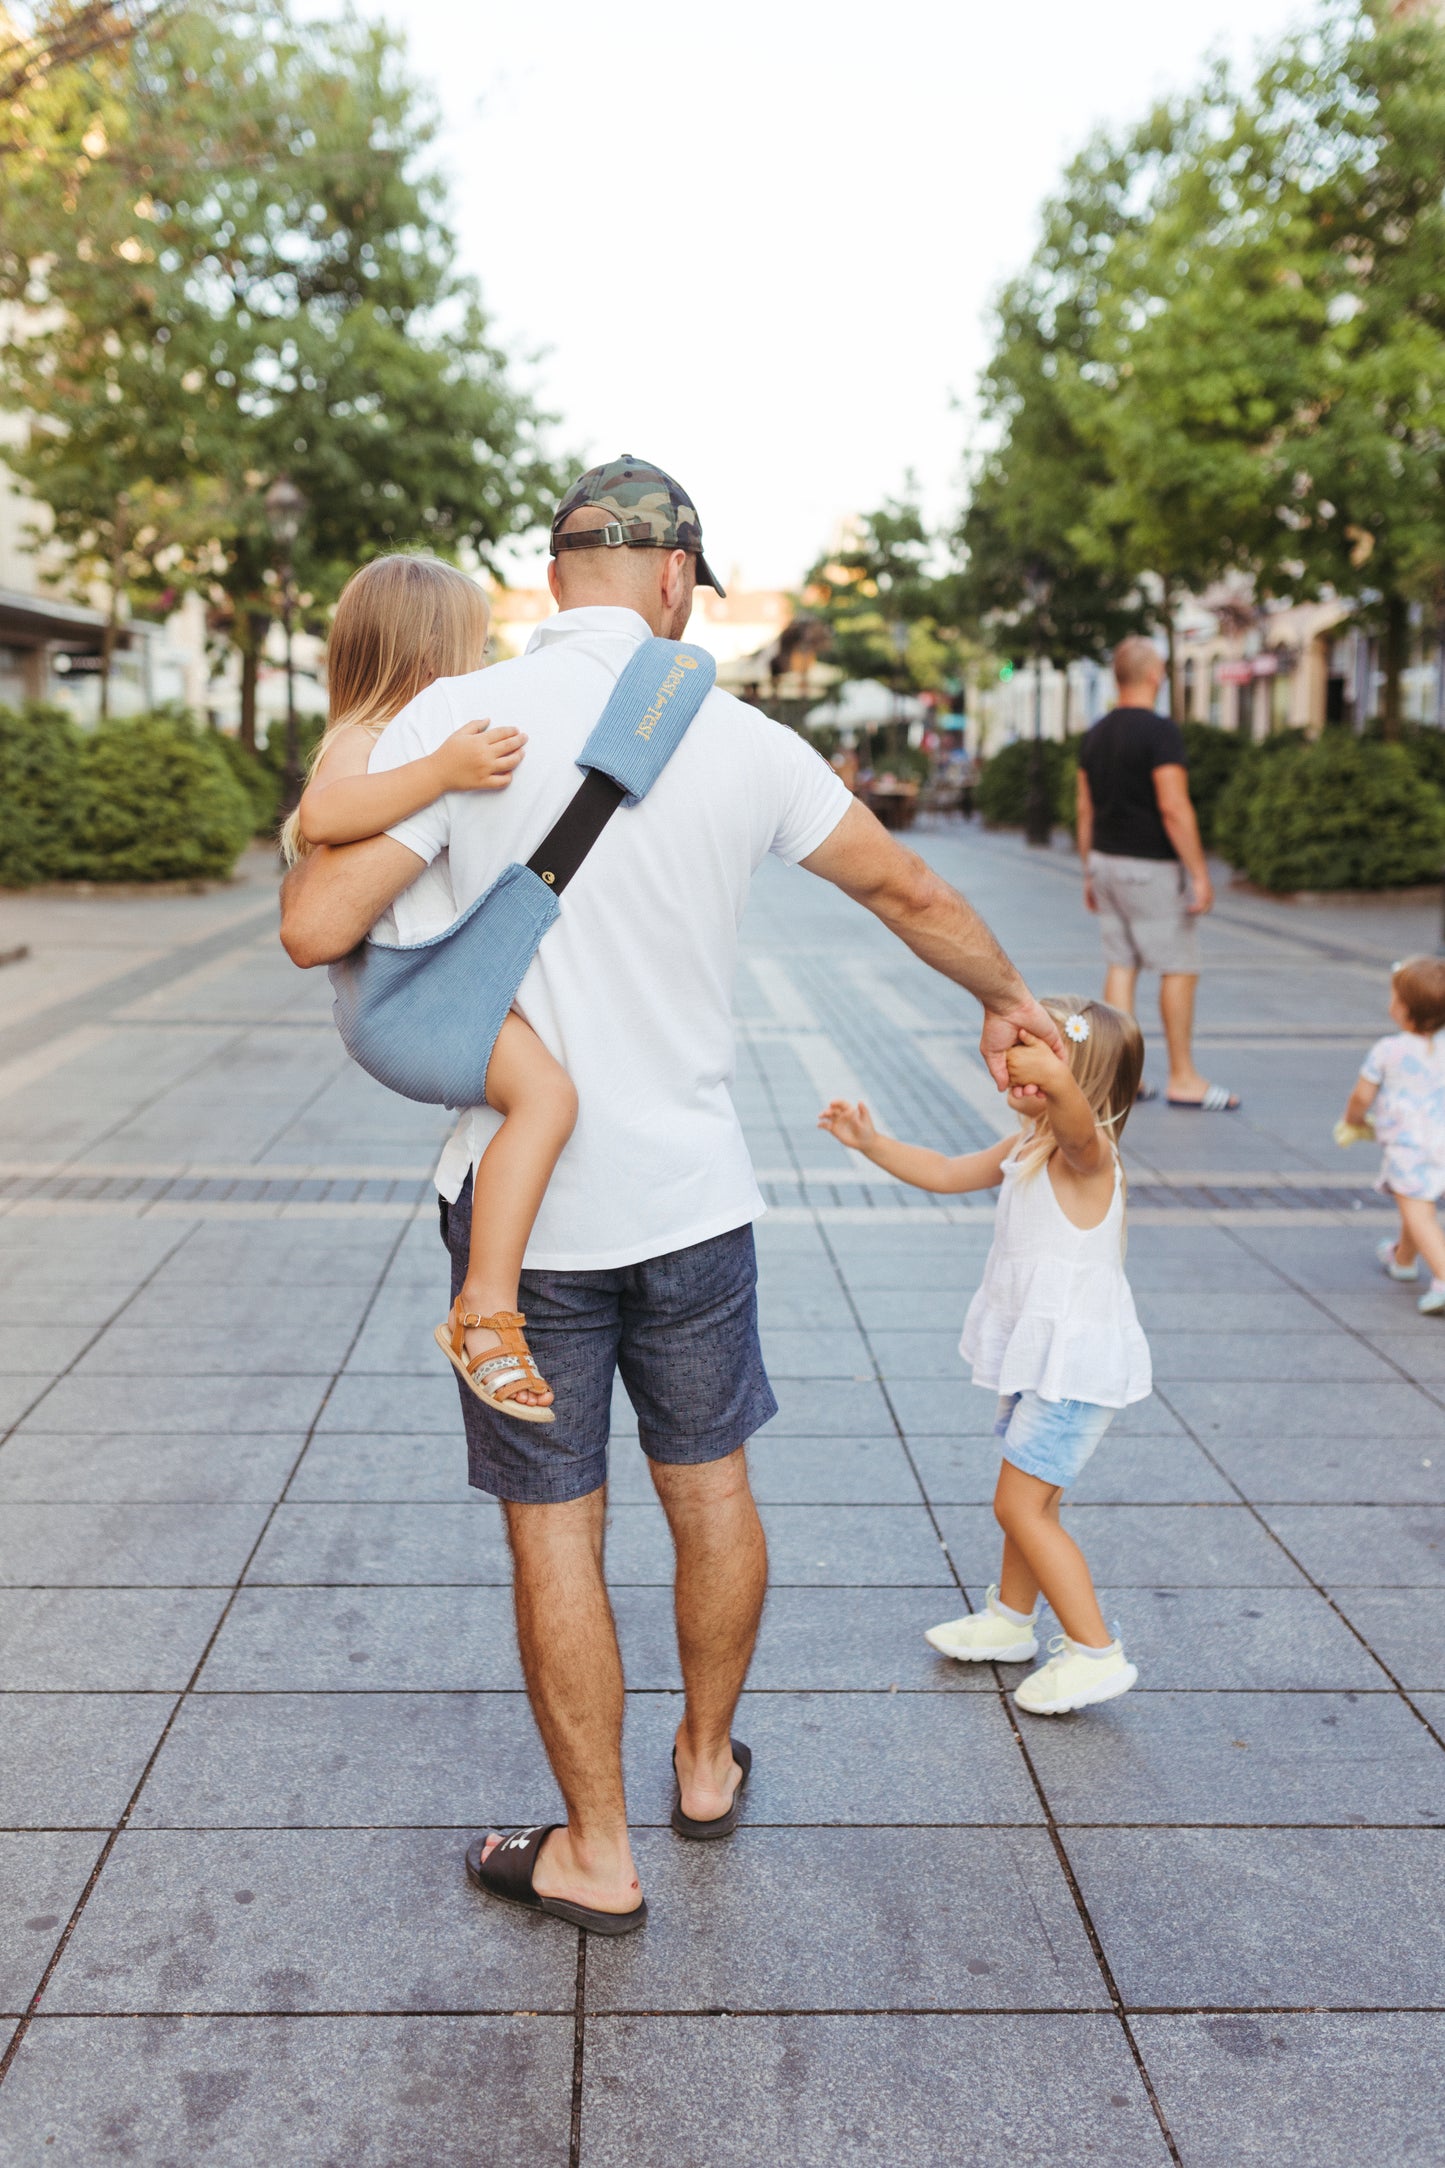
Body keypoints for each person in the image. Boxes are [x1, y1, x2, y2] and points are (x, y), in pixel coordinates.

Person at [280, 454, 1063, 1932]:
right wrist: (1009, 996)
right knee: (712, 1493)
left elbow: (317, 922)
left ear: (554, 574)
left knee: (553, 1528)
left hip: (525, 1221)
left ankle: (595, 1847)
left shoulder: (459, 720)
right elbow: (906, 891)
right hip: (694, 1199)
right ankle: (703, 1765)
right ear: (670, 577)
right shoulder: (739, 738)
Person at [281, 555, 572, 1421]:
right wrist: (442, 774)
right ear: (430, 651)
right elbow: (323, 818)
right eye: (473, 643)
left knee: (545, 1097)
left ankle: (486, 1301)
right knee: (548, 1099)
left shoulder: (394, 739)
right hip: (410, 993)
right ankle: (484, 1310)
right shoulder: (364, 741)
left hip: (424, 984)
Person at [819, 995, 1151, 1715]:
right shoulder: (1027, 1146)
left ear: (1075, 1079)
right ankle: (1009, 1620)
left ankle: (1096, 1653)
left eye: (1039, 1049)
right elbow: (941, 1171)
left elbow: (1076, 1125)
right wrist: (871, 1144)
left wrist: (1057, 1084)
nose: (1016, 1061)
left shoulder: (1084, 1154)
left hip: (1073, 1370)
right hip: (1042, 1365)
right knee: (1029, 1504)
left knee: (1021, 1506)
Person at [1076, 635, 1239, 1111]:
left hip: (1105, 860)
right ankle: (1184, 1077)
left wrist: (1089, 870)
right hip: (1150, 868)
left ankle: (1120, 1078)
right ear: (1154, 675)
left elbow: (1084, 809)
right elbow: (1173, 805)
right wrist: (1199, 873)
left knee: (1121, 964)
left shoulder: (1096, 733)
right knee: (1180, 966)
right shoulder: (1160, 732)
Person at [1339, 955, 1445, 1317]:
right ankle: (1403, 1258)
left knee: (1417, 1207)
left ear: (1402, 1009)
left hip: (1409, 1145)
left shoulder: (1389, 1050)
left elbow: (1362, 1096)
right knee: (1416, 1201)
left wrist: (1353, 1120)